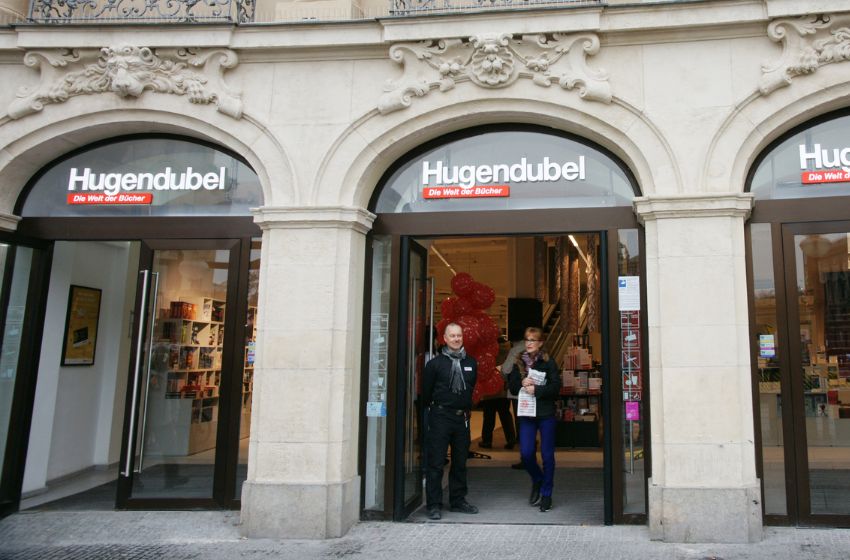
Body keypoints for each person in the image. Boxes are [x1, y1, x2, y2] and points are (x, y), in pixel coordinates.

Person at [422, 322, 479, 520]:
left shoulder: (471, 362)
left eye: (459, 335)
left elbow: (471, 388)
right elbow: (426, 393)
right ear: (444, 339)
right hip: (440, 417)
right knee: (436, 463)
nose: (456, 339)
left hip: (461, 419)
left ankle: (458, 501)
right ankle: (434, 505)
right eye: (452, 336)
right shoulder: (435, 364)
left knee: (460, 462)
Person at [507, 327, 561, 512]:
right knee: (526, 453)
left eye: (533, 340)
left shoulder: (548, 362)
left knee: (547, 455)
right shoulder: (518, 361)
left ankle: (547, 494)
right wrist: (521, 383)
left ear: (540, 343)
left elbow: (556, 388)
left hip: (545, 413)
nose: (529, 343)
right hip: (526, 413)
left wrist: (537, 390)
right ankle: (538, 479)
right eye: (527, 339)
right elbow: (512, 387)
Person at [478, 340, 517, 449]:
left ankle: (487, 441)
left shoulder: (487, 351)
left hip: (489, 389)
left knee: (488, 417)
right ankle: (511, 439)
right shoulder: (509, 351)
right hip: (502, 388)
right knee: (505, 416)